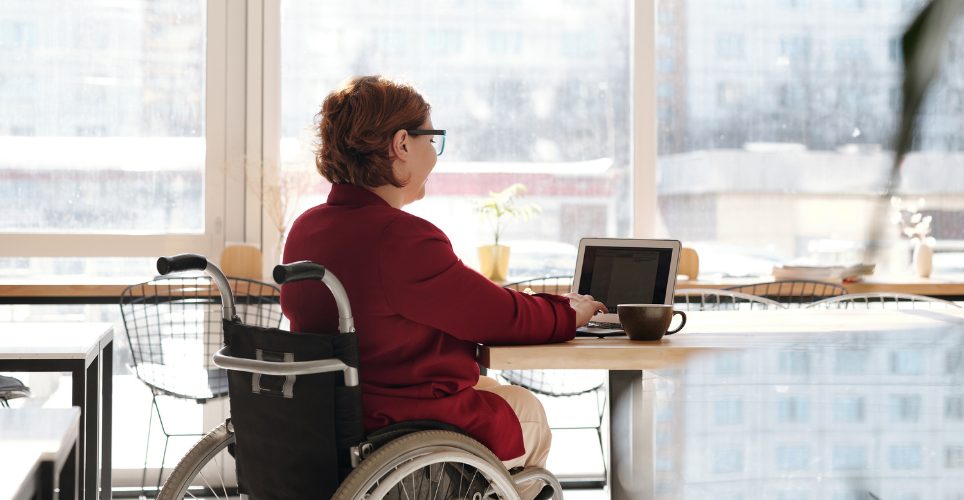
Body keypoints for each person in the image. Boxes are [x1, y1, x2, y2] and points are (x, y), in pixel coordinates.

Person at [280, 75, 607, 500]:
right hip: (394, 419)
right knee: (530, 411)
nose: (434, 154)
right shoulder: (399, 237)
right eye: (431, 139)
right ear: (401, 144)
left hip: (329, 414)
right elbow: (500, 317)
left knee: (494, 391)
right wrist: (568, 312)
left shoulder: (306, 228)